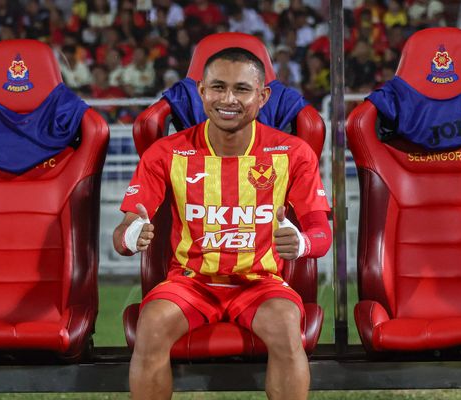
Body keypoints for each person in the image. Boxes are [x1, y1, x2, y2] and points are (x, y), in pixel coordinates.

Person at [113, 47, 331, 400]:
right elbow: (122, 234)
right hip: (191, 281)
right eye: (218, 87)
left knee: (286, 326)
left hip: (260, 282)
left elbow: (322, 233)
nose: (228, 99)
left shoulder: (292, 153)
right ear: (201, 92)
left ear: (263, 96)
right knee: (150, 324)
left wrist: (302, 242)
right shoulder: (166, 152)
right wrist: (130, 236)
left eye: (242, 89)